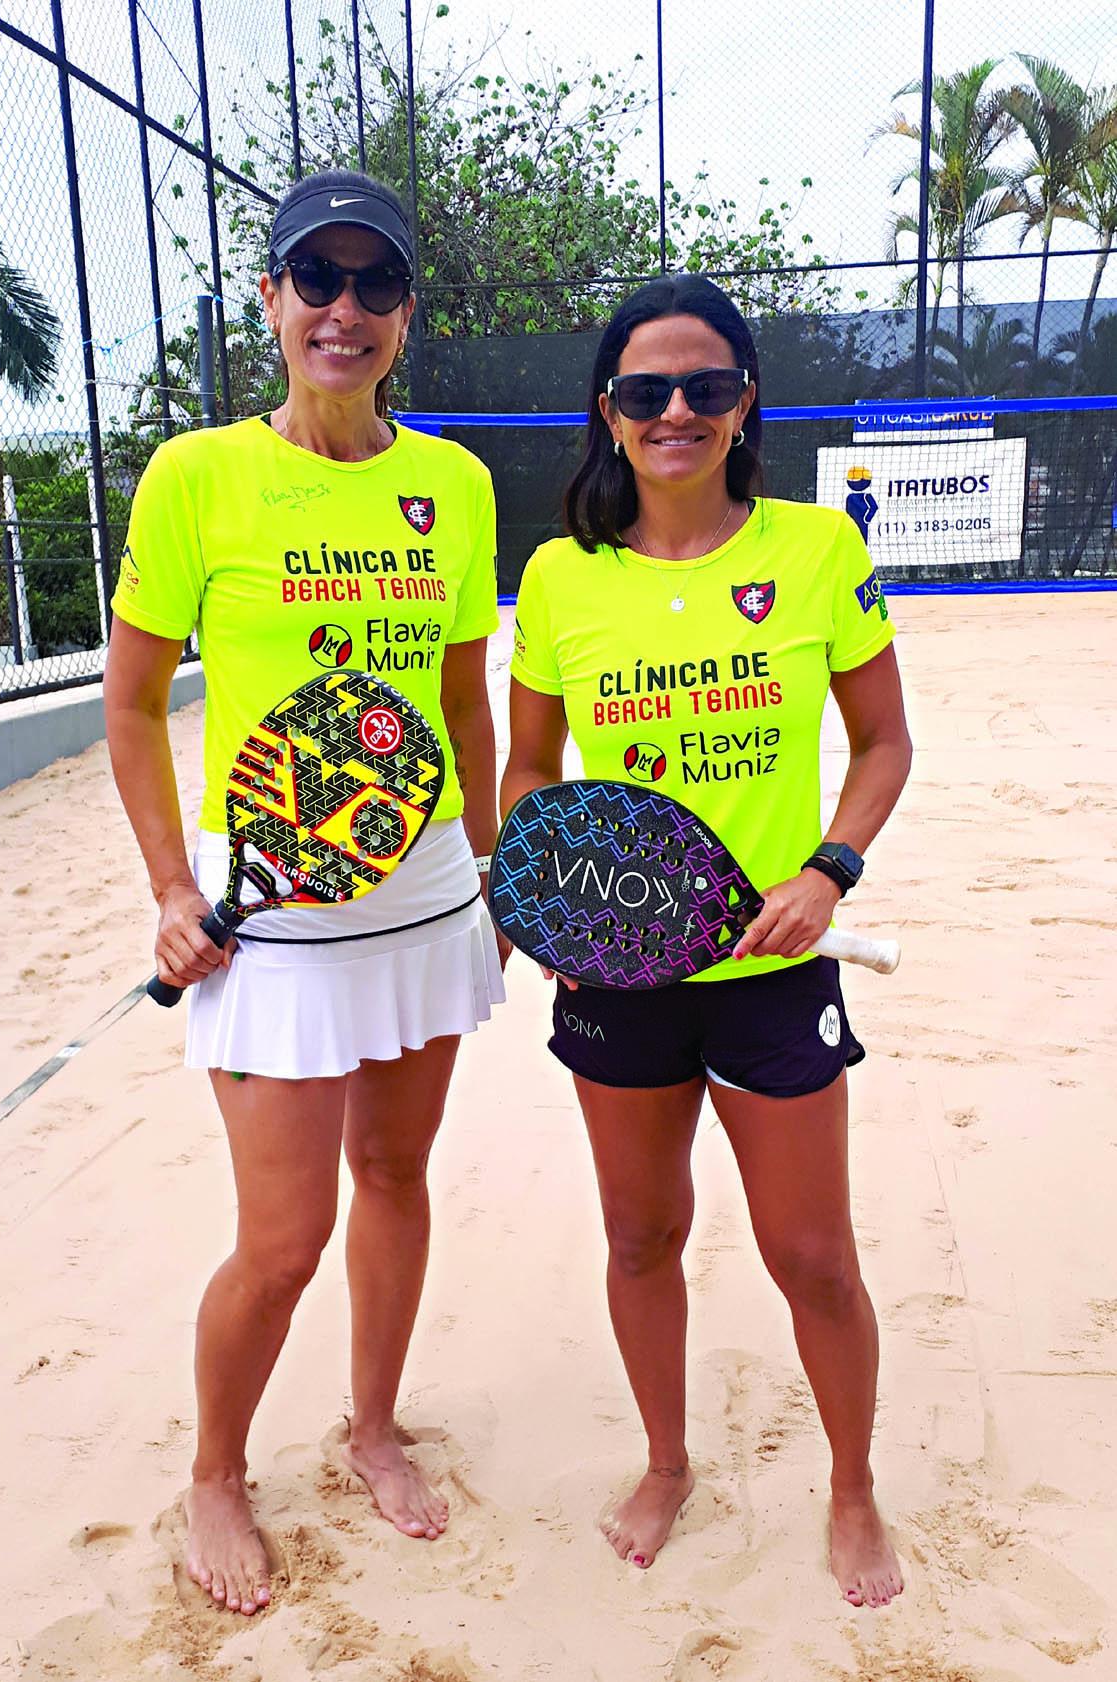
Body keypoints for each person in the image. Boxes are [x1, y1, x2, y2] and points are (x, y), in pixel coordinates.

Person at [104, 168, 507, 1617]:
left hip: (425, 899)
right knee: (283, 1238)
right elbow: (136, 704)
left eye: (375, 284)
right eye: (314, 280)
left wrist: (491, 875)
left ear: (406, 313)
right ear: (270, 298)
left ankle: (374, 1422)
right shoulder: (196, 474)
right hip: (269, 916)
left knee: (396, 1177)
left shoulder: (451, 484)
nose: (344, 309)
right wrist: (168, 884)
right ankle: (217, 1468)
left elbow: (467, 701)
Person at [502, 275, 912, 1610]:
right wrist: (551, 902)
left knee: (811, 1256)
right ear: (605, 413)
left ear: (745, 403)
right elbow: (525, 775)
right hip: (622, 977)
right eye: (643, 390)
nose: (673, 410)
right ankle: (667, 1460)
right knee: (638, 1238)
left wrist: (826, 868)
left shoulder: (811, 553)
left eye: (704, 386)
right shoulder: (561, 576)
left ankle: (850, 1487)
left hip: (770, 974)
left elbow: (883, 743)